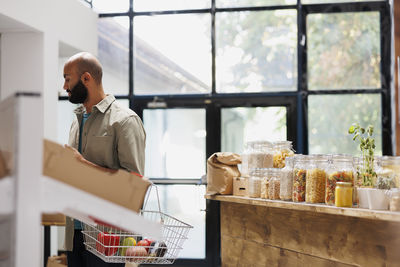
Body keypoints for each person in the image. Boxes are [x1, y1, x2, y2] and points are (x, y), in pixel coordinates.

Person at [62, 52, 146, 267]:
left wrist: (82, 165)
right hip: (75, 232)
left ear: (86, 78)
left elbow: (133, 185)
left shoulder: (125, 121)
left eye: (67, 78)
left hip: (108, 236)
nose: (64, 86)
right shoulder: (77, 120)